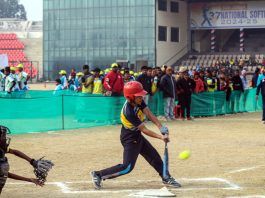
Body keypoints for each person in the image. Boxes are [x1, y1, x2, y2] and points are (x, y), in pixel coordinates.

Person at [90, 81, 181, 190]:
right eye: (139, 96)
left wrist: (160, 127)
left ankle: (166, 177)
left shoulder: (138, 101)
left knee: (154, 156)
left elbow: (148, 113)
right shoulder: (128, 111)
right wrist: (161, 137)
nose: (141, 97)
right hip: (129, 137)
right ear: (130, 97)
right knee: (127, 167)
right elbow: (144, 129)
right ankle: (98, 174)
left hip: (136, 135)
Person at [0, 125, 54, 194]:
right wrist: (29, 179)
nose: (6, 138)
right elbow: (4, 173)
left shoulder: (1, 149)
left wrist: (32, 161)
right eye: (3, 136)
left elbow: (14, 151)